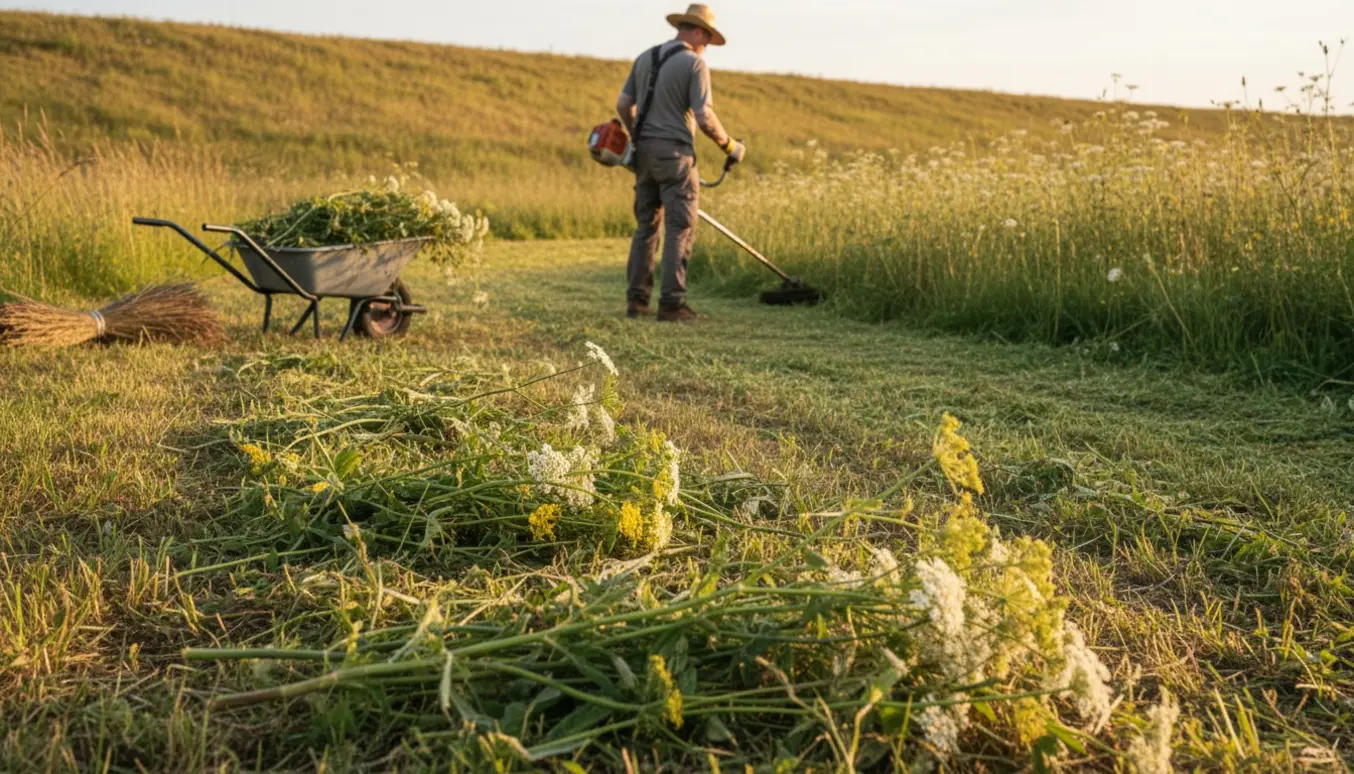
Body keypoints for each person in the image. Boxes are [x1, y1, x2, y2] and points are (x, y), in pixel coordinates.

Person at [616, 3, 746, 322]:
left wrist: (637, 137)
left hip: (643, 154)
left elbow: (623, 104)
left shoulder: (645, 57)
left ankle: (637, 301)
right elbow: (703, 115)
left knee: (646, 226)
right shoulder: (694, 64)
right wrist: (730, 145)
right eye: (708, 38)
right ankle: (672, 304)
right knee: (680, 227)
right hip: (676, 156)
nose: (707, 46)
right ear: (700, 32)